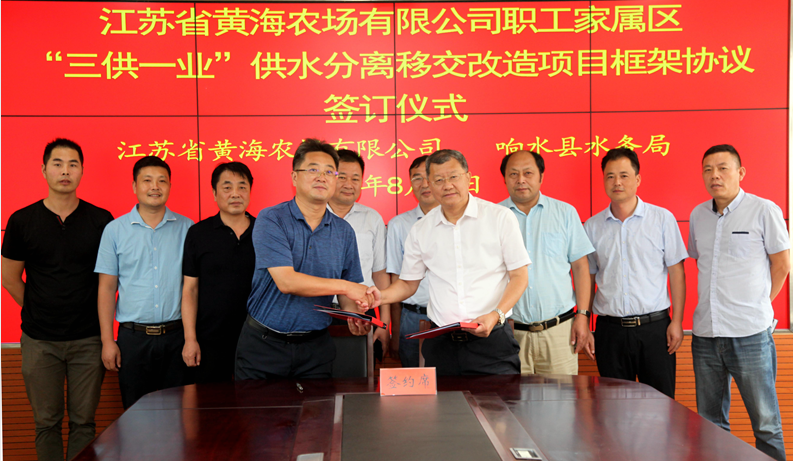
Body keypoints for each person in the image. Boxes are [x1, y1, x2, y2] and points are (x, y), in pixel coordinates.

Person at [368, 149, 530, 375]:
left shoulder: (499, 217)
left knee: (499, 399)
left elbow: (520, 276)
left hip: (492, 340)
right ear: (430, 184)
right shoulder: (421, 229)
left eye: (453, 176)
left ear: (468, 177)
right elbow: (408, 284)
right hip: (441, 342)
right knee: (444, 399)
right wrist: (381, 296)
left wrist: (496, 314)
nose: (447, 185)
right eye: (439, 180)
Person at [1, 139, 113, 461]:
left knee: (83, 422)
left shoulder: (101, 220)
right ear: (44, 170)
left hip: (88, 339)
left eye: (73, 164)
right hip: (40, 341)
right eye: (58, 164)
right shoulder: (22, 220)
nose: (65, 171)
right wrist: (39, 308)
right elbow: (9, 278)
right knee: (46, 423)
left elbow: (109, 281)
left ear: (82, 171)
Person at [235, 138, 373, 380]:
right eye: (313, 170)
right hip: (265, 346)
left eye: (329, 172)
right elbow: (287, 282)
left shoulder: (344, 231)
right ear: (294, 177)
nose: (322, 177)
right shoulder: (271, 219)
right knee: (257, 406)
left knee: (318, 406)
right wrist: (347, 287)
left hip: (316, 349)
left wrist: (355, 313)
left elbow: (347, 290)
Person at [688, 144, 789, 461]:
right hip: (706, 335)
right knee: (710, 423)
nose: (714, 176)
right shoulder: (698, 215)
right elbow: (701, 262)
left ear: (740, 172)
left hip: (750, 335)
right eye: (708, 170)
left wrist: (759, 302)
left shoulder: (764, 210)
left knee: (766, 423)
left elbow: (782, 264)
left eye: (723, 168)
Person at [584, 147, 687, 398]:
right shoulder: (592, 226)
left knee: (662, 406)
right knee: (613, 408)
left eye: (624, 175)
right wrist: (585, 324)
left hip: (655, 329)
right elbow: (589, 278)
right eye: (610, 176)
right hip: (610, 331)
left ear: (638, 179)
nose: (617, 182)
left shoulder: (661, 219)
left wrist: (677, 321)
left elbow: (677, 273)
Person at [95, 156, 193, 409]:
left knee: (179, 415)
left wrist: (191, 338)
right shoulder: (115, 230)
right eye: (147, 180)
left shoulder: (188, 228)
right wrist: (108, 341)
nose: (155, 187)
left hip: (177, 337)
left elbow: (193, 288)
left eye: (162, 181)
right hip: (133, 339)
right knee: (135, 415)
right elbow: (106, 288)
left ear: (170, 186)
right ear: (134, 186)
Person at [499, 150, 595, 374]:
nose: (520, 180)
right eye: (513, 174)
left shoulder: (565, 213)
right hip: (511, 333)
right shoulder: (494, 216)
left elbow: (581, 267)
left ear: (541, 176)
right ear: (504, 179)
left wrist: (583, 316)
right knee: (512, 396)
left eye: (528, 173)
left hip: (560, 331)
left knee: (562, 397)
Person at [181, 162, 255, 383]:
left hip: (257, 339)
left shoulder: (265, 232)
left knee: (256, 401)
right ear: (214, 193)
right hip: (209, 341)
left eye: (242, 187)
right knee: (211, 402)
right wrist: (190, 339)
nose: (235, 194)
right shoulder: (198, 233)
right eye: (227, 187)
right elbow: (190, 290)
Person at [327, 149, 391, 356]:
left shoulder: (372, 218)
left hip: (361, 311)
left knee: (360, 372)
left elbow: (380, 273)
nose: (349, 184)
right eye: (342, 177)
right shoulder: (312, 216)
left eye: (355, 178)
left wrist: (384, 322)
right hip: (317, 310)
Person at [385, 155, 438, 367]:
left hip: (450, 318)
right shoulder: (398, 225)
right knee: (415, 382)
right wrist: (396, 332)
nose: (424, 184)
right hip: (412, 318)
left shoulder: (459, 221)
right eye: (417, 178)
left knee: (450, 382)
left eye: (429, 177)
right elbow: (396, 279)